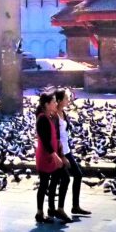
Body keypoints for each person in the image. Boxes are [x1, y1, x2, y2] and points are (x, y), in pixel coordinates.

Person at [54, 89, 89, 217]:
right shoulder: (54, 115)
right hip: (60, 152)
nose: (68, 100)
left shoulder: (63, 112)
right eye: (66, 98)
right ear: (59, 100)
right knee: (65, 179)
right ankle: (60, 208)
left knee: (78, 175)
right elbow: (56, 137)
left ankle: (75, 206)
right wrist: (61, 156)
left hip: (67, 149)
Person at [33, 92, 64, 224]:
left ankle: (50, 208)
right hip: (45, 156)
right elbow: (45, 141)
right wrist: (55, 155)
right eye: (53, 102)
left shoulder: (48, 117)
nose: (55, 104)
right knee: (43, 184)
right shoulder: (42, 119)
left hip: (50, 155)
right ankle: (40, 212)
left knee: (52, 180)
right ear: (47, 104)